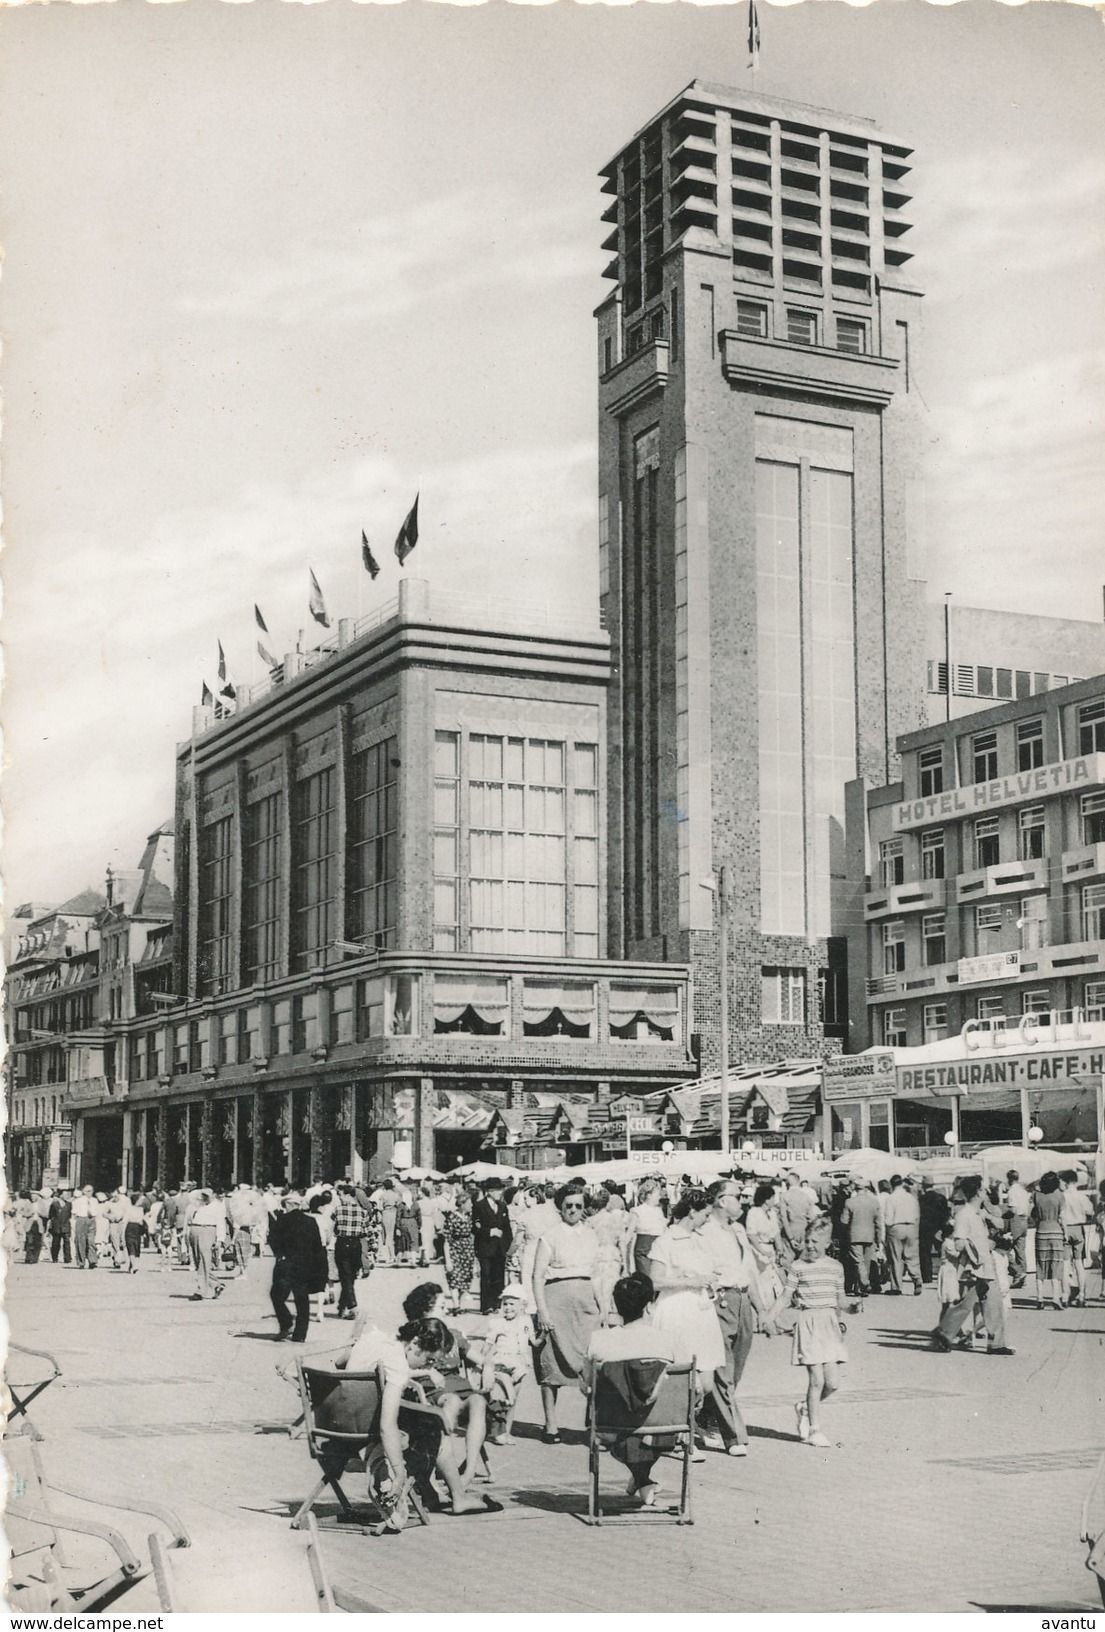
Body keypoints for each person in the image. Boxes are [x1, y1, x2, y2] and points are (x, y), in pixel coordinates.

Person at [345, 1316, 501, 1518]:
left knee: (424, 1421)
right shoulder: (397, 1362)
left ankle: (434, 1493)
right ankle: (457, 1497)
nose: (426, 1367)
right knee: (433, 1428)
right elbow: (387, 1425)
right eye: (428, 1360)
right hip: (366, 1435)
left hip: (342, 1425)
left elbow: (342, 1361)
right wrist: (399, 1472)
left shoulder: (373, 1338)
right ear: (415, 1343)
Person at [764, 1214, 861, 1448]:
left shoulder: (836, 1268)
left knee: (833, 1383)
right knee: (816, 1380)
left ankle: (805, 1408)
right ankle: (815, 1430)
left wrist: (853, 1308)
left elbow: (841, 1300)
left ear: (828, 1243)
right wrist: (768, 1317)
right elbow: (785, 1297)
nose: (810, 1246)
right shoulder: (798, 1268)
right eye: (807, 1241)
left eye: (815, 1242)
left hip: (830, 1325)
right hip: (808, 1324)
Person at [582, 1273, 677, 1507]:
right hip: (665, 1427)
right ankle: (642, 1480)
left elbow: (586, 1387)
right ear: (649, 1307)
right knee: (651, 1417)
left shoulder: (600, 1341)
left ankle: (642, 1480)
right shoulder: (669, 1341)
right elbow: (687, 1389)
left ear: (616, 1306)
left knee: (624, 1419)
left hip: (612, 1426)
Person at [696, 1179, 766, 1458]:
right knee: (723, 1372)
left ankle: (703, 1418)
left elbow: (750, 1271)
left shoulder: (738, 1229)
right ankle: (734, 1436)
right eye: (738, 1196)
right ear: (722, 1200)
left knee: (735, 1371)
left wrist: (763, 1310)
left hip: (743, 1301)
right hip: (720, 1301)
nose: (743, 1201)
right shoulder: (704, 1232)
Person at [401, 1281, 491, 1487]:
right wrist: (427, 1370)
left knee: (478, 1400)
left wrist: (489, 1367)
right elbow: (401, 1366)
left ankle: (468, 1471)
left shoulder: (453, 1335)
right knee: (450, 1401)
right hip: (432, 1391)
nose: (447, 1310)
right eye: (441, 1307)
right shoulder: (414, 1339)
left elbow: (482, 1359)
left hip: (459, 1387)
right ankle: (438, 1467)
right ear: (425, 1310)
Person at [532, 1184, 603, 1443]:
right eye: (568, 1205)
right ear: (560, 1206)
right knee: (551, 1364)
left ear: (584, 1208)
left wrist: (602, 1307)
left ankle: (593, 1425)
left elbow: (596, 1274)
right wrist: (542, 1310)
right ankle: (551, 1425)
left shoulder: (591, 1235)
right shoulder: (550, 1235)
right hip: (556, 1303)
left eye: (578, 1206)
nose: (573, 1210)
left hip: (585, 1305)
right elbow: (537, 1276)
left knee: (591, 1364)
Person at [646, 1188, 725, 1387]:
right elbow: (655, 1281)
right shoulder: (665, 1241)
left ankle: (694, 1415)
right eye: (706, 1215)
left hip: (701, 1312)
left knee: (706, 1382)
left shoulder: (700, 1240)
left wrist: (711, 1281)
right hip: (676, 1312)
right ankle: (686, 1416)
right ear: (692, 1211)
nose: (708, 1220)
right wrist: (691, 1281)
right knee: (679, 1378)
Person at [932, 1175, 1015, 1354]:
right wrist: (981, 1246)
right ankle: (944, 1332)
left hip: (985, 1265)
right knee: (966, 1304)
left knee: (993, 1303)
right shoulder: (965, 1215)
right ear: (977, 1192)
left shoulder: (977, 1214)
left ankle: (997, 1343)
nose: (987, 1192)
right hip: (974, 1268)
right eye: (984, 1189)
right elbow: (959, 1243)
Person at [479, 1283, 535, 1445]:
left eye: (512, 1304)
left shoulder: (526, 1322)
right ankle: (495, 1431)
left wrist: (545, 1333)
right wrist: (480, 1362)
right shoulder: (497, 1323)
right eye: (505, 1304)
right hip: (501, 1363)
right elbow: (488, 1344)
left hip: (519, 1365)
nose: (508, 1307)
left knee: (513, 1400)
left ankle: (506, 1432)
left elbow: (533, 1341)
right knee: (500, 1399)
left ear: (521, 1305)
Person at [269, 1191, 328, 1340]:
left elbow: (273, 1241)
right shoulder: (310, 1221)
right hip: (305, 1265)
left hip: (286, 1264)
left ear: (288, 1204)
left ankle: (286, 1322)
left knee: (276, 1295)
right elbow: (317, 1245)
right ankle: (300, 1334)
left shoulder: (281, 1221)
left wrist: (279, 1253)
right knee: (301, 1298)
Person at [332, 1183, 375, 1319]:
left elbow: (335, 1229)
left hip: (342, 1243)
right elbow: (368, 1231)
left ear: (346, 1195)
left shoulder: (337, 1210)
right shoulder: (362, 1212)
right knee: (351, 1276)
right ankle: (342, 1306)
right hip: (356, 1244)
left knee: (345, 1275)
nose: (339, 1198)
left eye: (340, 1195)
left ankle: (351, 1306)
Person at [585, 1189, 629, 1321]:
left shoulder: (591, 1221)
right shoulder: (616, 1221)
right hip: (613, 1256)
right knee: (611, 1290)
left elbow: (587, 1244)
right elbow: (622, 1244)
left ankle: (601, 1319)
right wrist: (625, 1266)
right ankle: (611, 1320)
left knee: (597, 1291)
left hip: (597, 1256)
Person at [472, 1177, 513, 1316]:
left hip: (499, 1248)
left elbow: (507, 1228)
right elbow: (474, 1228)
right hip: (485, 1247)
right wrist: (490, 1232)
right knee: (486, 1275)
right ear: (489, 1191)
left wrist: (509, 1248)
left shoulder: (502, 1206)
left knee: (499, 1276)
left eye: (500, 1190)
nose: (500, 1193)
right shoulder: (479, 1206)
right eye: (497, 1190)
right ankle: (486, 1306)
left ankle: (497, 1304)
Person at [1032, 1170, 1068, 1311]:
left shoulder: (1036, 1196)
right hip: (1056, 1232)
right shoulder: (1060, 1196)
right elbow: (1062, 1217)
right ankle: (1055, 1298)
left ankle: (1039, 1298)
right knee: (1056, 1265)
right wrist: (1065, 1233)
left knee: (1040, 1264)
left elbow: (1033, 1214)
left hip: (1041, 1231)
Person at [841, 1179, 883, 1297]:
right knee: (867, 1263)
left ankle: (864, 1283)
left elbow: (844, 1221)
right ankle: (861, 1289)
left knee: (858, 1262)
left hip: (854, 1235)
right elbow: (878, 1223)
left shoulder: (849, 1202)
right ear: (867, 1188)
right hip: (870, 1236)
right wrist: (879, 1240)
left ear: (855, 1188)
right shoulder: (874, 1202)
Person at [883, 1175, 923, 1296]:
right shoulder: (911, 1198)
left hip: (896, 1227)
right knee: (912, 1256)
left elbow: (889, 1218)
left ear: (891, 1185)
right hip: (911, 1227)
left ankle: (896, 1286)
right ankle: (917, 1279)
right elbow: (916, 1215)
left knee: (896, 1258)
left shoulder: (891, 1198)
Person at [1060, 1170, 1094, 1308]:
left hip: (1065, 1229)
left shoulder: (1062, 1196)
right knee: (1079, 1265)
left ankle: (1065, 1295)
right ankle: (1082, 1295)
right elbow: (1090, 1212)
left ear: (1066, 1182)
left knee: (1066, 1264)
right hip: (1079, 1229)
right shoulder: (1082, 1197)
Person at [188, 1189, 227, 1300]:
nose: (205, 1197)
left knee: (204, 1260)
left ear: (213, 1195)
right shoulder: (198, 1204)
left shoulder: (218, 1206)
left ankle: (200, 1291)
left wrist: (220, 1239)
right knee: (198, 1262)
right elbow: (191, 1196)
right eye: (203, 1195)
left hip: (208, 1230)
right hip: (195, 1230)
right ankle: (216, 1285)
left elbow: (221, 1224)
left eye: (207, 1195)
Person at [442, 1187, 476, 1312]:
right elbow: (446, 1240)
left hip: (467, 1250)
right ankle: (456, 1304)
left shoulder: (469, 1217)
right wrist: (448, 1260)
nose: (471, 1205)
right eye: (469, 1203)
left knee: (466, 1277)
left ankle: (461, 1304)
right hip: (454, 1249)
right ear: (462, 1204)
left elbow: (472, 1235)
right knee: (454, 1277)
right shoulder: (452, 1218)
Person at [625, 1177, 668, 1277]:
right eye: (657, 1194)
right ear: (648, 1195)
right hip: (643, 1249)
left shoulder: (659, 1211)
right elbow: (629, 1233)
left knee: (658, 1277)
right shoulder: (637, 1211)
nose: (659, 1197)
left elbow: (664, 1230)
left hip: (658, 1247)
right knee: (647, 1279)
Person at [918, 1177, 951, 1286]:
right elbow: (946, 1214)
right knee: (942, 1253)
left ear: (923, 1186)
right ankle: (946, 1275)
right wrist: (942, 1228)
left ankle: (927, 1277)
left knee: (925, 1253)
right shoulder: (940, 1198)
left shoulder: (921, 1199)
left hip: (924, 1229)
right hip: (938, 1229)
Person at [1003, 1170, 1032, 1287]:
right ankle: (1023, 1276)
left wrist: (1004, 1211)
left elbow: (1013, 1210)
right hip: (1024, 1219)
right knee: (1020, 1250)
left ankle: (1017, 1272)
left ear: (1009, 1179)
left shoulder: (1012, 1191)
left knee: (1005, 1248)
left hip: (1016, 1220)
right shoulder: (1023, 1191)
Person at [72, 1186, 100, 1269]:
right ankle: (81, 1262)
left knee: (91, 1241)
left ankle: (92, 1261)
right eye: (87, 1191)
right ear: (83, 1192)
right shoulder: (78, 1201)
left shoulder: (94, 1201)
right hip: (81, 1219)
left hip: (91, 1220)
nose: (89, 1193)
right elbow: (74, 1212)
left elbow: (96, 1211)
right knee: (81, 1241)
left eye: (91, 1191)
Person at [47, 1190, 73, 1264]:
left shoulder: (69, 1204)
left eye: (67, 1195)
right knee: (56, 1242)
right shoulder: (54, 1204)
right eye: (65, 1195)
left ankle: (67, 1258)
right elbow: (51, 1215)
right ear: (61, 1195)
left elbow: (70, 1214)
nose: (66, 1196)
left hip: (66, 1225)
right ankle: (54, 1257)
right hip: (57, 1225)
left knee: (67, 1242)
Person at [123, 1191, 145, 1273]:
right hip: (130, 1227)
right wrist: (123, 1233)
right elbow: (125, 1221)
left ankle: (132, 1265)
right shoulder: (129, 1209)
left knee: (137, 1247)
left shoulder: (141, 1209)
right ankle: (135, 1266)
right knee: (131, 1246)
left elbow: (141, 1220)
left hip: (137, 1228)